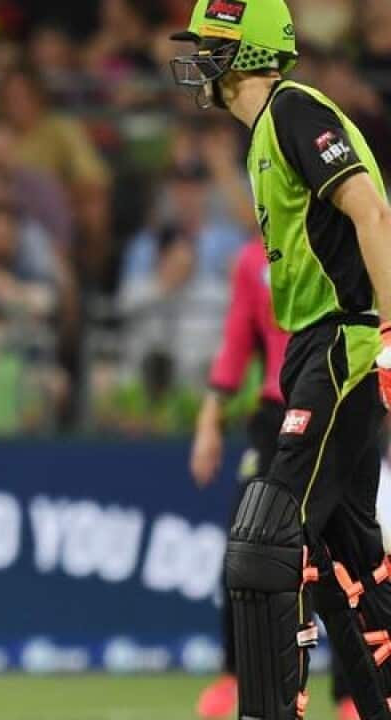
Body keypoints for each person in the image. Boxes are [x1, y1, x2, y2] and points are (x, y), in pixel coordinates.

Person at [172, 1, 391, 717]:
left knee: (269, 532)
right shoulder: (268, 130)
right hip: (318, 344)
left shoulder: (295, 109)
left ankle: (273, 708)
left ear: (250, 50)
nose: (200, 57)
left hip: (340, 340)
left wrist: (389, 333)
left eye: (214, 44)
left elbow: (373, 210)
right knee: (349, 552)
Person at [188, 240, 356, 720]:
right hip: (274, 412)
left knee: (345, 551)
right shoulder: (250, 259)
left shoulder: (342, 234)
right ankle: (235, 672)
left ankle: (351, 692)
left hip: (339, 404)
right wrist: (210, 417)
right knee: (246, 543)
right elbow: (238, 335)